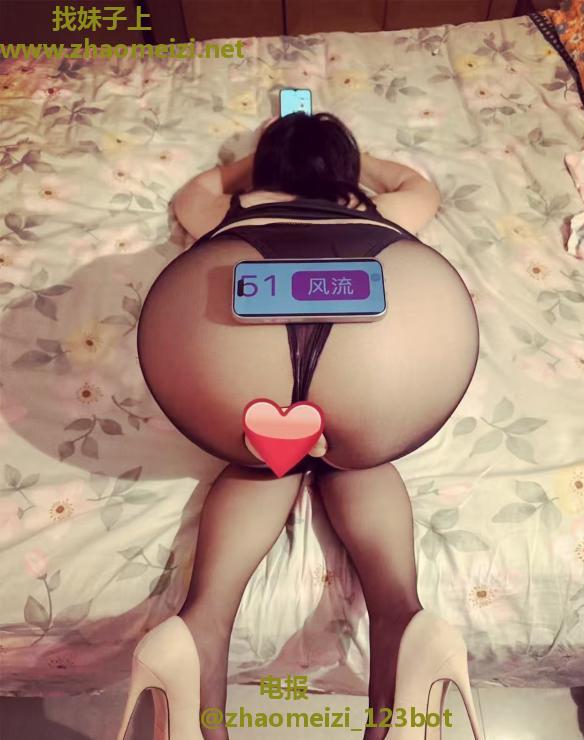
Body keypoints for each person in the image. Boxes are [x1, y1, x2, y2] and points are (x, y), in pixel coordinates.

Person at [117, 113, 481, 740]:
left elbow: (191, 194)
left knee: (265, 458)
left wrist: (254, 162)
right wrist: (354, 164)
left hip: (239, 325)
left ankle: (198, 628)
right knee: (360, 457)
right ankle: (405, 621)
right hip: (374, 337)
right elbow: (420, 187)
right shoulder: (370, 206)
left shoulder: (235, 205)